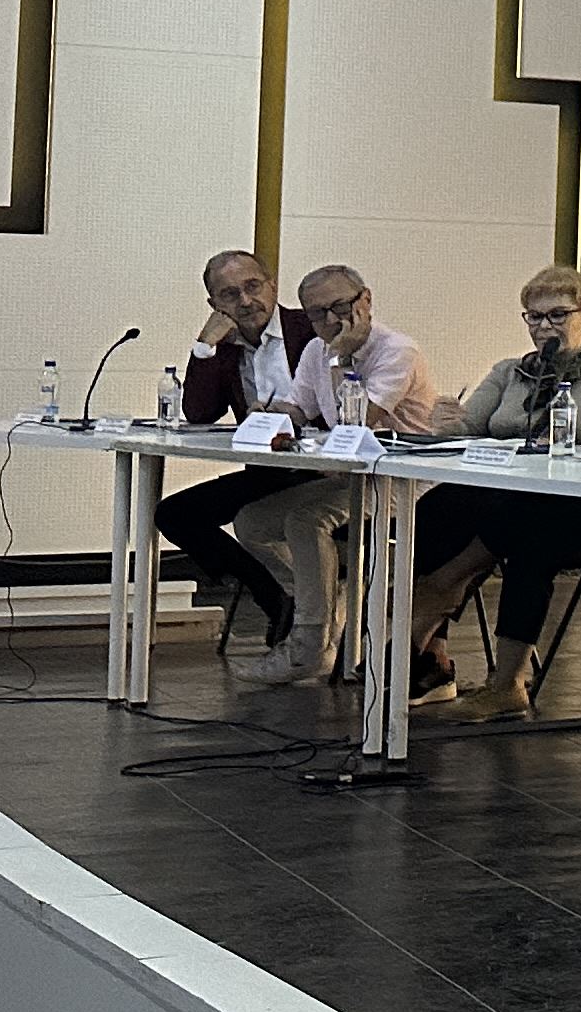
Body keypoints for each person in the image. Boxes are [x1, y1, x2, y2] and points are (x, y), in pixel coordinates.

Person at [401, 268, 581, 722]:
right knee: (437, 507)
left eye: (557, 315)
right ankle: (431, 658)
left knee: (528, 534)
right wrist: (446, 422)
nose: (544, 327)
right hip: (504, 494)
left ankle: (480, 650)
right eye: (534, 317)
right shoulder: (509, 372)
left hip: (572, 504)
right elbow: (470, 428)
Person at [227, 265, 439, 688]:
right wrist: (268, 413)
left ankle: (308, 645)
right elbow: (300, 409)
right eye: (316, 314)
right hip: (351, 477)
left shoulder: (397, 350)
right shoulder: (315, 350)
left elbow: (355, 422)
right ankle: (328, 605)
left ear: (366, 301)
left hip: (406, 480)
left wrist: (341, 355)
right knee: (252, 522)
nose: (329, 321)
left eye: (339, 307)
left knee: (306, 520)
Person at [157, 249, 322, 655]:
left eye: (253, 287)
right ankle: (272, 596)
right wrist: (204, 347)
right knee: (174, 515)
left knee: (257, 519)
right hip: (267, 471)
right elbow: (199, 413)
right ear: (214, 304)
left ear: (273, 286)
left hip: (322, 469)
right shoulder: (226, 347)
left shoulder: (309, 330)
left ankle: (297, 604)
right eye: (230, 294)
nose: (246, 301)